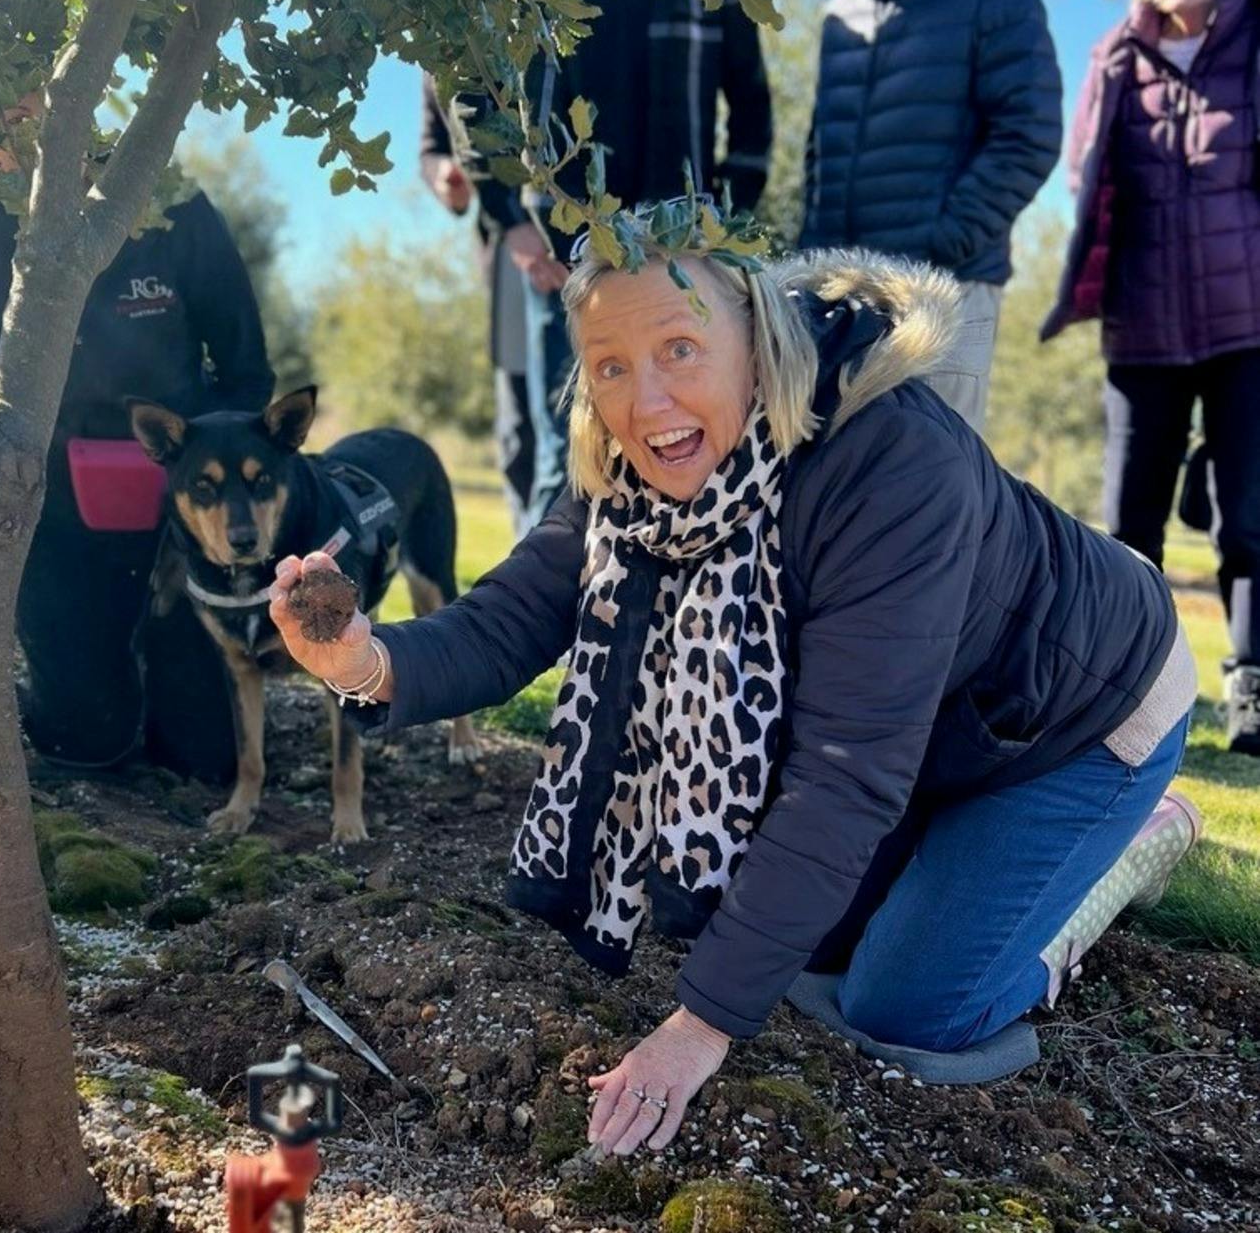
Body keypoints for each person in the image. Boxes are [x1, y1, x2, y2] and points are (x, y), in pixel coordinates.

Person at [268, 200, 1200, 1152]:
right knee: (805, 954)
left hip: (1077, 719)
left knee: (904, 1011)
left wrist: (697, 1026)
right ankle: (981, 870)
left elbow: (843, 777)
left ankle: (1113, 862)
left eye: (679, 348)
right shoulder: (622, 470)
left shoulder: (891, 463)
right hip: (930, 729)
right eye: (612, 368)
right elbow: (508, 621)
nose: (649, 403)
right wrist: (364, 663)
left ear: (754, 333)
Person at [0, 16, 275, 781]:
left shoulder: (173, 209)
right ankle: (71, 692)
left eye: (36, 98)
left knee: (207, 760)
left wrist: (207, 491)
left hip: (182, 517)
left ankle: (178, 672)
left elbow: (249, 375)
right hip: (47, 516)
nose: (22, 124)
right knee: (85, 741)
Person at [420, 0, 772, 534]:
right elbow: (472, 82)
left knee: (700, 438)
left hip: (684, 257)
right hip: (560, 254)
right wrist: (510, 217)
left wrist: (725, 222)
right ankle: (540, 613)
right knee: (567, 452)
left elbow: (751, 102)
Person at [1043, 0, 1260, 757]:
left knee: (1249, 523)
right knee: (1130, 527)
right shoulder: (1113, 56)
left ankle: (1250, 697)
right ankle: (1128, 696)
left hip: (1247, 327)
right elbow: (1085, 178)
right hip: (1141, 324)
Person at [801, 0, 1063, 432]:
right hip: (836, 296)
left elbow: (1029, 132)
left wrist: (943, 244)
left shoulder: (998, 1)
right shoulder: (840, 16)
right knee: (832, 473)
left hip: (945, 289)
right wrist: (810, 255)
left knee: (937, 469)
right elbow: (819, 151)